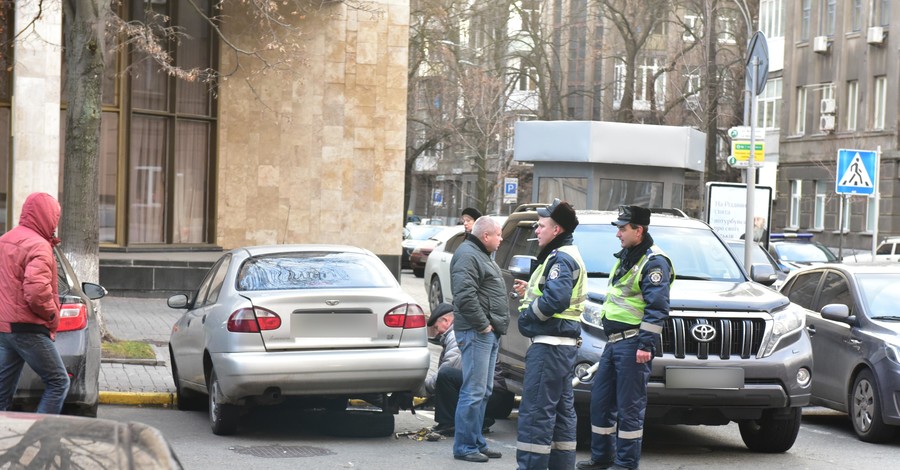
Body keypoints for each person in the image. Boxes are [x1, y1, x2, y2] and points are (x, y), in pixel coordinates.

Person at [577, 205, 673, 470]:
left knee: (629, 408)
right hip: (614, 342)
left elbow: (657, 308)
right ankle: (602, 458)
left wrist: (645, 344)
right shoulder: (628, 255)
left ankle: (626, 463)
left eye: (622, 228)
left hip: (633, 344)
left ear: (638, 230)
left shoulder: (654, 262)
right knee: (601, 401)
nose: (618, 234)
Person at [513, 198, 587, 470]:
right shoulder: (563, 255)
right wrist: (531, 294)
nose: (536, 230)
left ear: (556, 230)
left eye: (541, 225)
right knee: (561, 413)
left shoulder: (560, 258)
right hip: (563, 349)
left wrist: (529, 316)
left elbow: (556, 299)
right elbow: (551, 294)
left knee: (535, 413)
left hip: (549, 349)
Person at [0, 192, 70, 414]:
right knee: (58, 382)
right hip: (28, 328)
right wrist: (52, 316)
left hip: (4, 328)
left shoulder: (5, 239)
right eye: (55, 217)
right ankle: (40, 439)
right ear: (47, 216)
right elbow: (37, 291)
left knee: (2, 393)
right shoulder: (39, 246)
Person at [449, 215, 509, 463]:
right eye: (499, 234)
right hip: (476, 333)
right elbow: (464, 295)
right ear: (486, 236)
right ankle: (464, 446)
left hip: (487, 333)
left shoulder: (480, 254)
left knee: (483, 391)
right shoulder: (468, 254)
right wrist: (483, 325)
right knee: (473, 391)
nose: (501, 239)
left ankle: (476, 442)